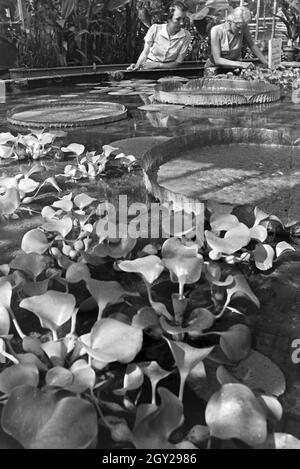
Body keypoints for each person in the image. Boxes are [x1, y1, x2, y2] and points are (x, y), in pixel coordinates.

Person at [127, 1, 192, 71]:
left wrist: (157, 65)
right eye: (178, 19)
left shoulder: (186, 35)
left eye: (184, 19)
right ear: (169, 18)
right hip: (148, 68)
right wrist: (137, 66)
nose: (182, 23)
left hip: (169, 71)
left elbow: (177, 62)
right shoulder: (155, 29)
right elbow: (145, 52)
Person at [205, 6, 269, 76]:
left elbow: (252, 45)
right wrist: (241, 64)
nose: (240, 31)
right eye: (238, 28)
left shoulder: (243, 28)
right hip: (214, 69)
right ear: (230, 21)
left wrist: (268, 64)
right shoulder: (216, 31)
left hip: (233, 68)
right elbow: (217, 60)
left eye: (243, 28)